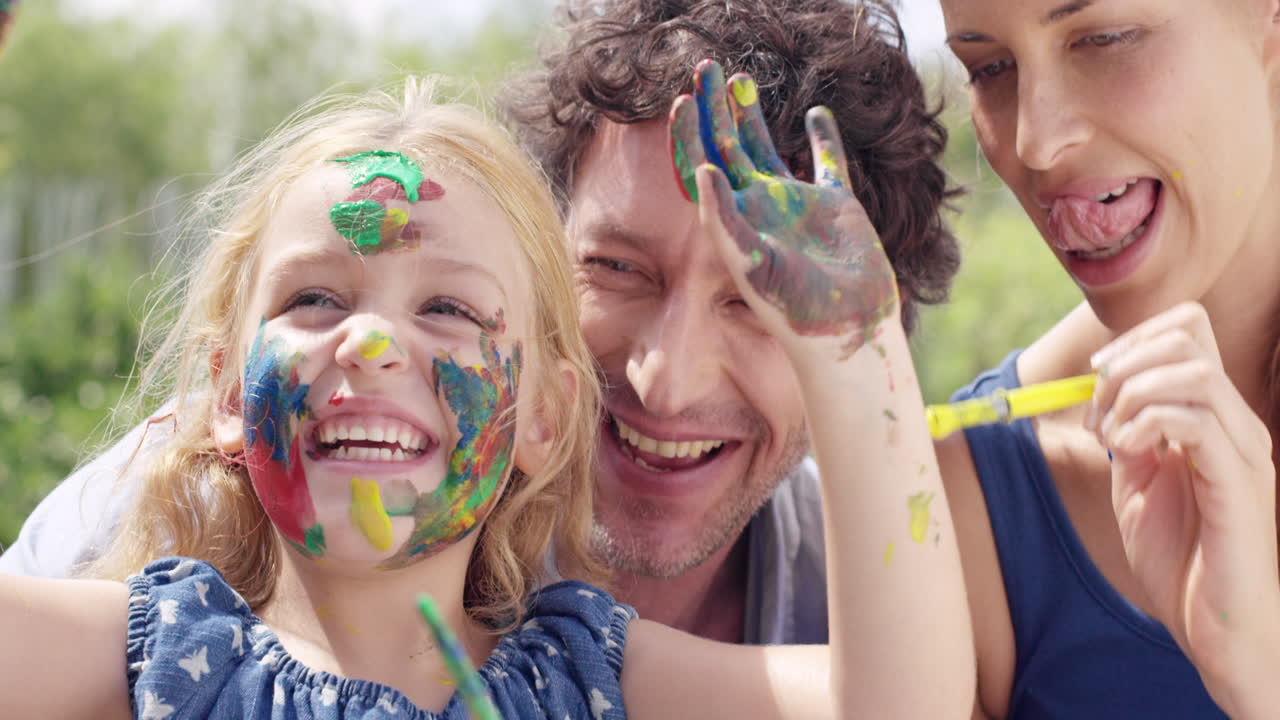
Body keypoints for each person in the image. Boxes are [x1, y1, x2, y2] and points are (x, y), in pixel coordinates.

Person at [0, 75, 974, 718]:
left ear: (545, 418)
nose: (371, 344)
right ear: (223, 389)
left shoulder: (590, 677)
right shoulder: (151, 652)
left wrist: (852, 350)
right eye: (314, 298)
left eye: (450, 309)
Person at [935, 1, 1280, 718]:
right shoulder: (973, 498)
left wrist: (1260, 681)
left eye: (1104, 38)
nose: (1034, 140)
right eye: (988, 68)